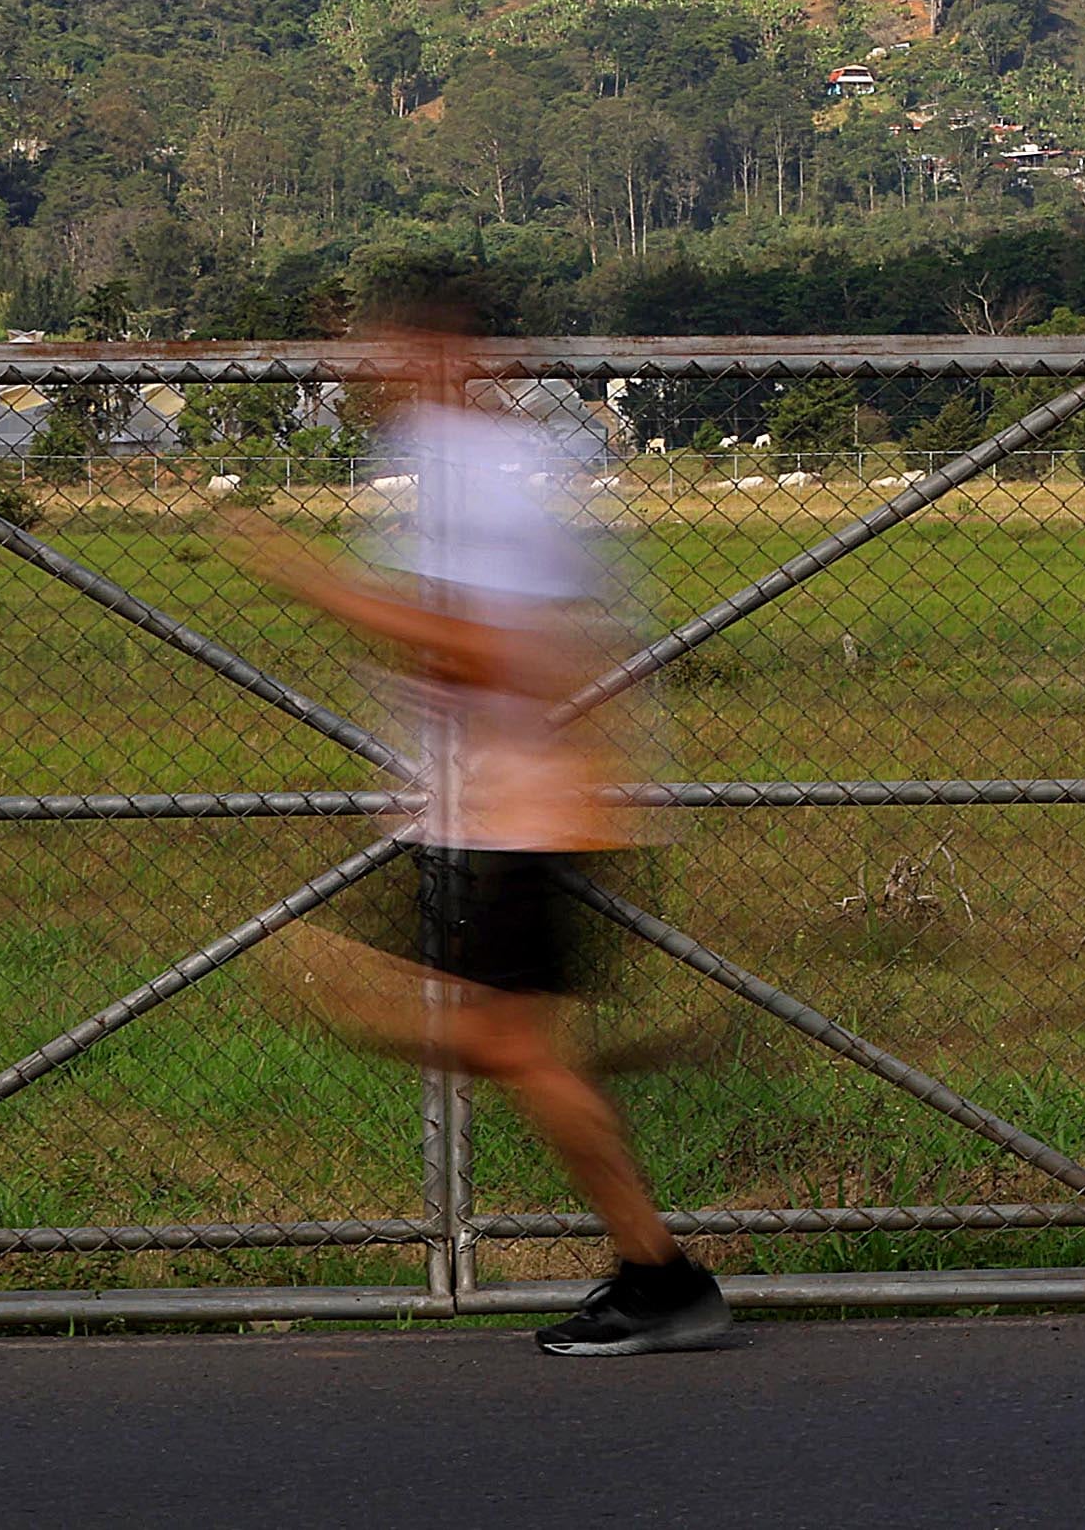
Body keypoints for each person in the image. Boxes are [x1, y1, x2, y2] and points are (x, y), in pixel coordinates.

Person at [227, 291, 731, 1356]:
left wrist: (309, 582)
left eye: (392, 350)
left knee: (366, 998)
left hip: (518, 808)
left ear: (453, 356)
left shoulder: (486, 473)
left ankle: (660, 1262)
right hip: (480, 802)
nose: (365, 371)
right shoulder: (464, 460)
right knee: (481, 1034)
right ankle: (654, 1251)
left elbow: (489, 653)